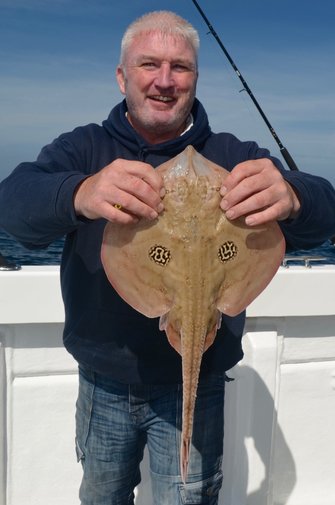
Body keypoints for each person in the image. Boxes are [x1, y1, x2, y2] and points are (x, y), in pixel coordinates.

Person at [1, 10, 335, 505]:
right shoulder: (85, 148)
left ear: (196, 79)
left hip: (197, 386)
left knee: (190, 496)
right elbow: (13, 204)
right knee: (102, 494)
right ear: (122, 77)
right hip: (104, 380)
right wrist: (80, 191)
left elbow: (324, 212)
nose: (164, 80)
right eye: (148, 65)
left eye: (180, 67)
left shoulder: (233, 154)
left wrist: (293, 194)